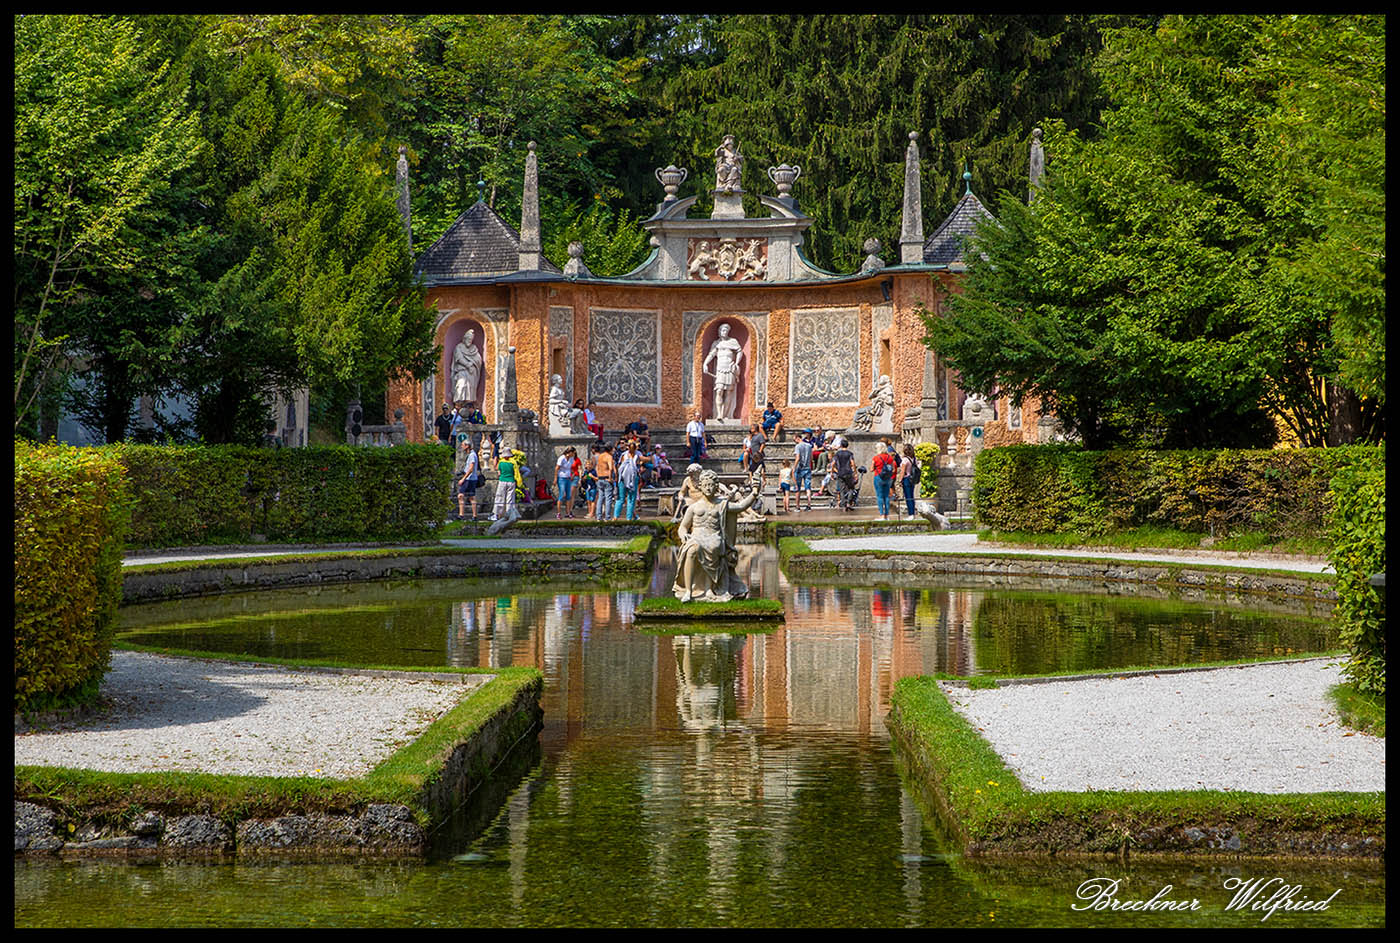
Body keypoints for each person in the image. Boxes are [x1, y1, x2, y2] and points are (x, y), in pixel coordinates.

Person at [614, 438, 649, 521]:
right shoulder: (638, 455)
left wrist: (617, 477)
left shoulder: (624, 455)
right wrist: (645, 459)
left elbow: (619, 466)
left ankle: (615, 517)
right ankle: (629, 518)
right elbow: (647, 459)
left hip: (622, 478)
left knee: (621, 498)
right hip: (633, 478)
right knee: (631, 499)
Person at [451, 329, 484, 404]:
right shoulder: (459, 347)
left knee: (470, 388)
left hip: (471, 373)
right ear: (464, 339)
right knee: (461, 385)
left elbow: (478, 359)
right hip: (462, 371)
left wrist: (472, 363)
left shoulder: (474, 348)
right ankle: (459, 403)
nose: (470, 341)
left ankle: (469, 404)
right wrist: (468, 365)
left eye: (471, 340)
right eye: (468, 339)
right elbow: (459, 358)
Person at [493, 446, 521, 526]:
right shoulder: (513, 462)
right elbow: (516, 473)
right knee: (510, 499)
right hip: (511, 481)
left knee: (499, 498)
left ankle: (497, 514)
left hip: (502, 481)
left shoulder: (501, 462)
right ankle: (509, 514)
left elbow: (499, 472)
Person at [871, 439, 898, 520]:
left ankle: (881, 515)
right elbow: (893, 469)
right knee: (886, 496)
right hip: (888, 478)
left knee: (879, 496)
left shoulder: (876, 458)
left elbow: (871, 469)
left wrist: (877, 468)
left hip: (878, 477)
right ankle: (887, 515)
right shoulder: (889, 457)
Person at [457, 440, 482, 520]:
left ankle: (462, 515)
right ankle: (473, 515)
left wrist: (463, 479)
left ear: (467, 446)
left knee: (462, 496)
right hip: (471, 478)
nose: (462, 447)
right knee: (470, 497)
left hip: (469, 479)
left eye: (463, 445)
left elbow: (471, 468)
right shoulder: (472, 454)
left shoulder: (472, 455)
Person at [592, 442, 616, 521]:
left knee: (600, 498)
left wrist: (598, 476)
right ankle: (607, 517)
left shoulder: (600, 456)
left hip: (600, 478)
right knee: (608, 498)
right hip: (606, 478)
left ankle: (599, 517)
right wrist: (610, 478)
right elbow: (610, 468)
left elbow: (597, 467)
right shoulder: (609, 457)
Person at [793, 429, 815, 511]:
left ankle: (797, 506)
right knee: (808, 487)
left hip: (800, 468)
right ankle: (809, 505)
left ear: (797, 438)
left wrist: (794, 467)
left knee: (797, 487)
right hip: (807, 468)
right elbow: (811, 458)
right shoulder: (809, 446)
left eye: (794, 440)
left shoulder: (798, 446)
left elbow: (798, 457)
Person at [834, 438, 858, 512]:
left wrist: (832, 472)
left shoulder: (838, 453)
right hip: (848, 472)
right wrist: (855, 473)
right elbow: (852, 463)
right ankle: (848, 502)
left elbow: (833, 463)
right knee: (851, 488)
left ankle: (844, 504)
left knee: (841, 490)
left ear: (841, 445)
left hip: (840, 472)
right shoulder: (850, 453)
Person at [556, 446, 579, 519]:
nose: (574, 455)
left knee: (569, 496)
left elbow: (570, 468)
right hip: (561, 478)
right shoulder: (561, 458)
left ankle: (568, 512)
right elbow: (557, 468)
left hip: (568, 478)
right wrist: (555, 478)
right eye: (573, 453)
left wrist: (572, 474)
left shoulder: (571, 459)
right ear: (570, 452)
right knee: (561, 494)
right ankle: (559, 513)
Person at [898, 444, 920, 518]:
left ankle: (911, 514)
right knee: (911, 496)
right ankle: (912, 513)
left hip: (906, 479)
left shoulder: (905, 460)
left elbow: (903, 471)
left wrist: (900, 480)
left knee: (908, 497)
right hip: (912, 479)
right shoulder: (914, 459)